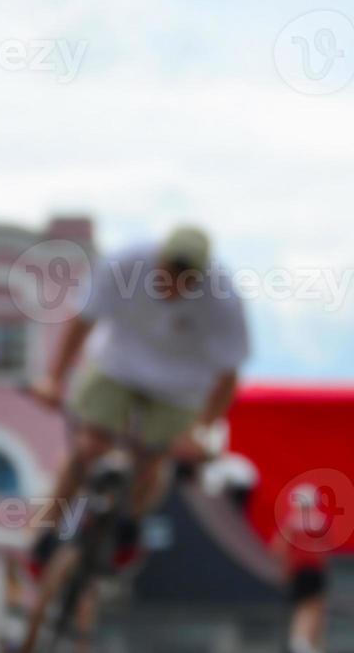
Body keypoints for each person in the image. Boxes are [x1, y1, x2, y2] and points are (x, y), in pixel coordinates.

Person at [30, 225, 250, 567]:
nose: (175, 283)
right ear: (158, 258)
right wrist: (54, 379)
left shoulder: (223, 299)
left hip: (180, 387)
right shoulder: (125, 265)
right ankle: (46, 529)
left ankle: (129, 521)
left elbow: (229, 375)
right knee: (87, 446)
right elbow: (82, 321)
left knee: (154, 459)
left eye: (187, 277)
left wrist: (201, 429)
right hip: (117, 367)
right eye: (170, 271)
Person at [270, 482, 329, 653]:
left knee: (304, 606)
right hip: (315, 569)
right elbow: (324, 550)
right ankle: (303, 642)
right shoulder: (320, 521)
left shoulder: (292, 522)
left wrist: (284, 569)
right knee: (313, 606)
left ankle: (302, 642)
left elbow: (278, 547)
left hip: (298, 569)